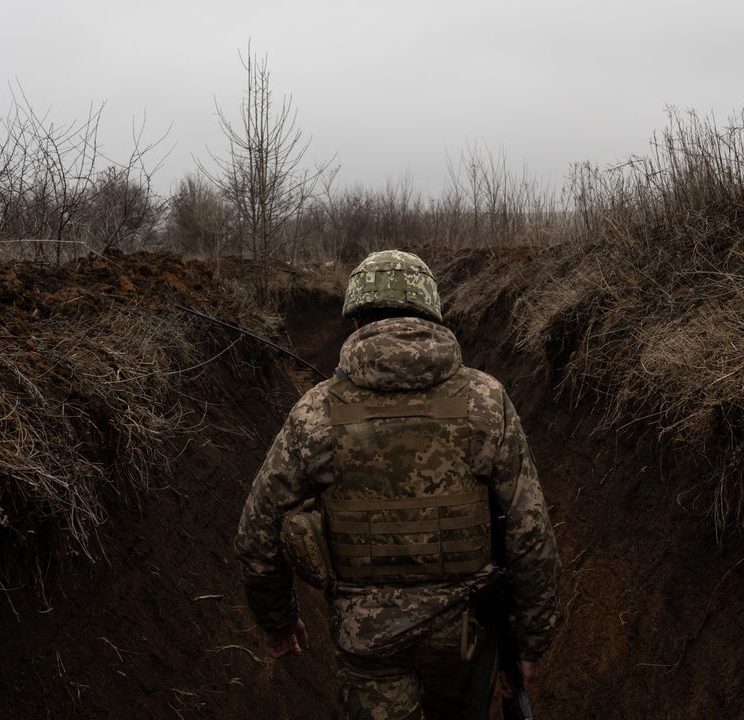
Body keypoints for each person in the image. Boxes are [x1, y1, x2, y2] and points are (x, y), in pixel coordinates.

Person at [234, 250, 560, 719]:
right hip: (464, 633)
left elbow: (257, 532)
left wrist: (278, 622)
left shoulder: (316, 411)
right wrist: (530, 641)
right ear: (431, 314)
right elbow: (531, 534)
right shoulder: (487, 400)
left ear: (356, 320)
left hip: (368, 638)